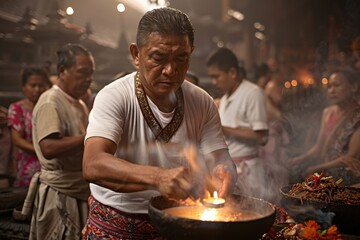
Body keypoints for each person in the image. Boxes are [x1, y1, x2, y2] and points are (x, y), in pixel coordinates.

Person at [82, 7, 237, 239]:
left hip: (180, 222)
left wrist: (224, 170)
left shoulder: (202, 102)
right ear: (136, 54)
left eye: (181, 59)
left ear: (191, 53)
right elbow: (93, 164)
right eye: (158, 58)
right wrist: (159, 177)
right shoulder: (114, 96)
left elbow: (220, 159)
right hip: (117, 225)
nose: (170, 70)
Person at [22, 43, 94, 239]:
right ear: (63, 71)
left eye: (91, 74)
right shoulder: (50, 101)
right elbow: (48, 147)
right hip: (60, 192)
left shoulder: (78, 103)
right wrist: (89, 138)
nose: (88, 79)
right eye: (82, 73)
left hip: (76, 187)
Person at [206, 47, 268, 199]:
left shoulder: (253, 93)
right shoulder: (225, 98)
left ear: (232, 73)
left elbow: (261, 137)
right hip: (228, 170)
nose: (214, 82)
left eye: (217, 76)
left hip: (248, 172)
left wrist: (223, 129)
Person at [289, 67, 360, 187]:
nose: (331, 91)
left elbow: (349, 157)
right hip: (325, 170)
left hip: (345, 177)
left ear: (353, 87)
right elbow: (319, 146)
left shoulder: (357, 116)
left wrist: (317, 168)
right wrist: (300, 159)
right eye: (329, 87)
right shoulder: (328, 112)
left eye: (337, 85)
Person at [7, 66, 49, 187]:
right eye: (33, 85)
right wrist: (44, 152)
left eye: (41, 85)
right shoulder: (17, 108)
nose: (37, 89)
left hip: (49, 167)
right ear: (24, 87)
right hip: (27, 165)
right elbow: (17, 140)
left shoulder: (49, 108)